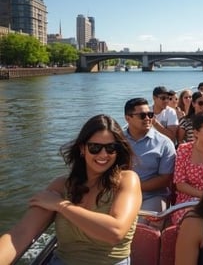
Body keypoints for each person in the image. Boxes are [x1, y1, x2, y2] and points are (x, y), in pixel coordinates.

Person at [0, 114, 142, 265]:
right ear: (82, 149)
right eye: (95, 147)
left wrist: (60, 205)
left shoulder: (127, 180)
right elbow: (21, 233)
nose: (103, 154)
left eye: (111, 148)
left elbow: (115, 232)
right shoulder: (61, 185)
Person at [124, 98, 176, 213]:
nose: (148, 118)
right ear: (128, 118)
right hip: (121, 194)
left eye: (150, 114)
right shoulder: (118, 141)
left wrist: (132, 187)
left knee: (138, 224)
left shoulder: (164, 143)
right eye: (142, 115)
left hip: (152, 196)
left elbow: (165, 179)